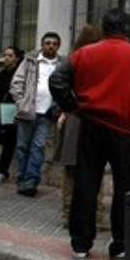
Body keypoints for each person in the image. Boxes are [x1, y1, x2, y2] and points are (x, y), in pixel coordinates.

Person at [49, 10, 130, 260]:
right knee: (126, 188)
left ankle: (81, 243)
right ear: (127, 29)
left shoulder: (83, 54)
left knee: (86, 183)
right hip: (125, 130)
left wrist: (73, 106)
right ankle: (122, 245)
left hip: (91, 124)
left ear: (103, 27)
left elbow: (57, 80)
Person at [57, 26, 102, 225]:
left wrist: (67, 108)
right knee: (95, 168)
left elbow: (58, 84)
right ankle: (95, 214)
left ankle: (68, 213)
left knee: (71, 169)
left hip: (74, 117)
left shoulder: (73, 60)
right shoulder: (102, 62)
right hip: (96, 117)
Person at [10, 32, 64, 197]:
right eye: (47, 43)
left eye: (54, 43)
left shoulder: (62, 64)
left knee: (38, 147)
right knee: (22, 147)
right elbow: (17, 82)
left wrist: (58, 107)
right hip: (28, 111)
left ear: (58, 46)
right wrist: (21, 103)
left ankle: (31, 182)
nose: (50, 46)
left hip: (47, 113)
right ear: (42, 45)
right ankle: (21, 179)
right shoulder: (30, 61)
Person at [0, 45, 23, 184]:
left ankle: (2, 171)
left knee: (9, 141)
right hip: (2, 109)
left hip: (14, 109)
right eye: (5, 55)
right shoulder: (2, 74)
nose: (6, 58)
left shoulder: (19, 74)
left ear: (16, 59)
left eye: (10, 55)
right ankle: (2, 170)